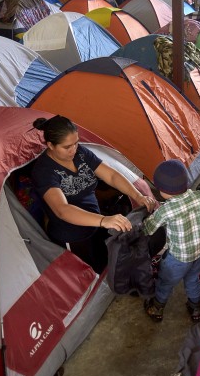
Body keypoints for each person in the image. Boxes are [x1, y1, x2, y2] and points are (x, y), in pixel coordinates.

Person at [31, 115, 157, 273]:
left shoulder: (80, 154)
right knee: (92, 270)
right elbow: (62, 210)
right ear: (50, 145)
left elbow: (111, 175)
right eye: (67, 147)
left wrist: (138, 195)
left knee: (109, 261)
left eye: (76, 143)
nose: (73, 150)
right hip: (73, 236)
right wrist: (104, 220)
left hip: (95, 222)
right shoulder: (44, 171)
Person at [142, 160, 200, 323]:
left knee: (165, 282)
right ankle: (195, 309)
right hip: (199, 253)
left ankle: (156, 308)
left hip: (178, 258)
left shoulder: (166, 209)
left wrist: (144, 220)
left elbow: (148, 228)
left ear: (162, 190)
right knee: (193, 279)